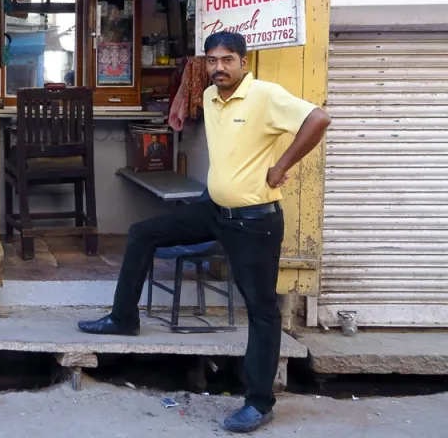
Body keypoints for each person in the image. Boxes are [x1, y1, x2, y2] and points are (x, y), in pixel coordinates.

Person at [77, 31, 331, 434]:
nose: (219, 68)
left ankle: (258, 403)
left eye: (227, 60)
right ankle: (123, 318)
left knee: (262, 311)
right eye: (212, 61)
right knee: (143, 232)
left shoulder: (265, 95)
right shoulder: (211, 98)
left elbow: (318, 118)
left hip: (254, 220)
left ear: (243, 63)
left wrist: (281, 168)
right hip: (215, 211)